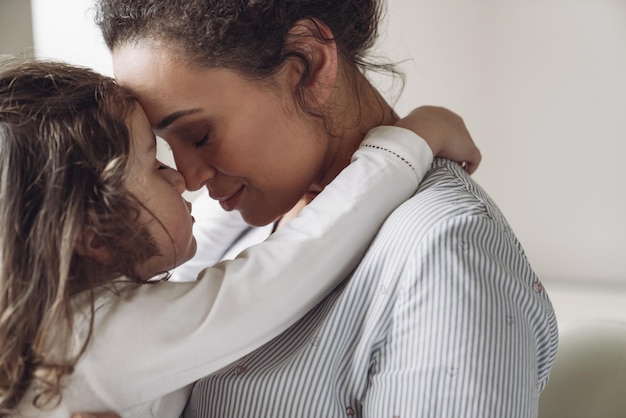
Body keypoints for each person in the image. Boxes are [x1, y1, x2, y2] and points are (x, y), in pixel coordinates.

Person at [93, 0, 559, 417]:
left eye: (199, 136)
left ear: (311, 63)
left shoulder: (443, 253)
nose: (189, 178)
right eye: (164, 149)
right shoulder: (229, 225)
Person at [0, 59, 476, 417]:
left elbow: (217, 240)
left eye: (199, 136)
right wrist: (406, 142)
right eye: (153, 163)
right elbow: (278, 273)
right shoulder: (88, 335)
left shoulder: (59, 326)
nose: (183, 178)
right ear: (93, 232)